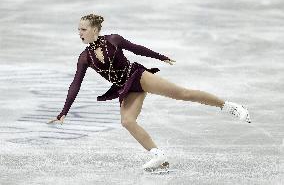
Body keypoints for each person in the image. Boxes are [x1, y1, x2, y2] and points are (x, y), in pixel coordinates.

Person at [48, 13, 250, 171]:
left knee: (183, 94)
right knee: (127, 121)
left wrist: (161, 57)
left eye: (83, 29)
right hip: (125, 88)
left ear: (95, 29)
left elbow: (137, 49)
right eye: (78, 30)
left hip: (138, 76)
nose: (80, 33)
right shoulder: (85, 57)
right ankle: (158, 156)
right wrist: (64, 111)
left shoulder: (113, 40)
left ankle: (230, 106)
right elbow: (76, 84)